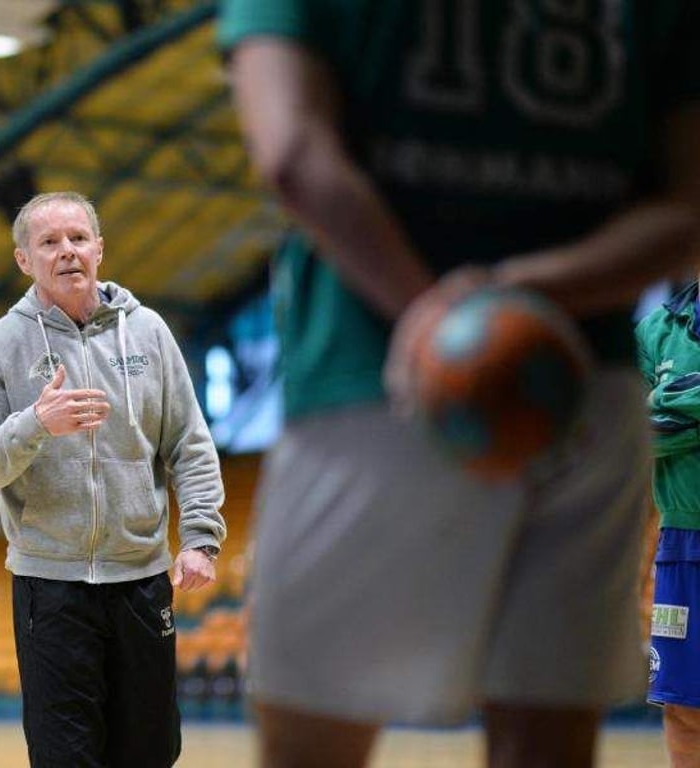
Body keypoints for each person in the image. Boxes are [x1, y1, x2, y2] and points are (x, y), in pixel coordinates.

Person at [219, 2, 700, 767]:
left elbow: (292, 153)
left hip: (375, 380)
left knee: (314, 745)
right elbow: (686, 206)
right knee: (546, 749)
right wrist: (517, 292)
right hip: (577, 388)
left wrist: (439, 322)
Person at [0, 190, 227, 768]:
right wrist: (35, 425)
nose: (67, 252)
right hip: (49, 590)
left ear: (100, 248)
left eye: (78, 238)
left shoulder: (147, 332)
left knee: (151, 754)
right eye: (49, 242)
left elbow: (190, 443)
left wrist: (200, 537)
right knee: (64, 759)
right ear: (24, 259)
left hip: (142, 581)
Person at [637, 282, 700, 768]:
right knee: (684, 707)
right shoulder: (658, 328)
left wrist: (671, 401)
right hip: (683, 542)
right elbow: (632, 433)